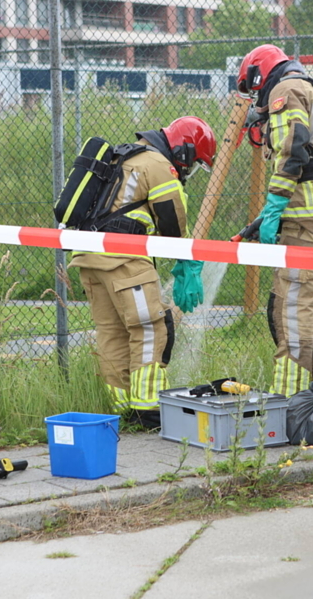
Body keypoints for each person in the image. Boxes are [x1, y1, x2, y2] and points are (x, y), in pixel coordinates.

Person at [70, 117, 216, 429]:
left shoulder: (121, 157)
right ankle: (148, 408)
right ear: (185, 151)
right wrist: (185, 260)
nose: (188, 170)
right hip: (124, 260)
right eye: (192, 163)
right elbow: (172, 220)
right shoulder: (158, 164)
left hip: (88, 257)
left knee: (112, 332)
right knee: (151, 327)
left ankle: (120, 408)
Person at [236, 44, 313, 398]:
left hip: (307, 228)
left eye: (253, 89)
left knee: (294, 313)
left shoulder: (285, 91)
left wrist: (275, 205)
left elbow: (293, 150)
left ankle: (292, 400)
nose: (256, 98)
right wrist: (270, 212)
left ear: (260, 75)